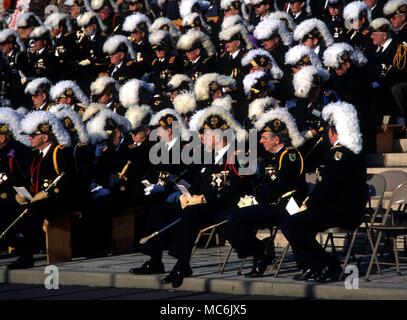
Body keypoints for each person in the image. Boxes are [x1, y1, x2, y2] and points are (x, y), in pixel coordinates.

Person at [160, 104, 253, 288]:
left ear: (218, 136)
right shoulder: (208, 158)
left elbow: (233, 192)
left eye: (206, 133)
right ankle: (175, 262)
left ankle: (182, 264)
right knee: (167, 210)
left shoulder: (238, 155)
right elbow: (197, 186)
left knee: (191, 213)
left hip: (227, 206)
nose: (201, 137)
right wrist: (186, 196)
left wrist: (201, 199)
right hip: (209, 206)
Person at [281, 101, 368, 282]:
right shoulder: (353, 153)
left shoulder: (338, 155)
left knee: (291, 224)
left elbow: (327, 189)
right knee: (298, 223)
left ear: (332, 132)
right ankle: (314, 266)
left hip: (340, 212)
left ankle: (328, 264)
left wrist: (308, 204)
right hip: (344, 210)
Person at [218, 108, 308, 278]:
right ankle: (260, 252)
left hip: (284, 205)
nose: (261, 141)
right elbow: (255, 177)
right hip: (269, 204)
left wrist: (256, 199)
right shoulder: (269, 157)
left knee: (236, 217)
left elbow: (281, 186)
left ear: (276, 139)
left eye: (265, 138)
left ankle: (261, 255)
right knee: (226, 218)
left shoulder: (290, 156)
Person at [10, 111, 75, 269]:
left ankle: (27, 256)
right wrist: (21, 194)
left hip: (62, 200)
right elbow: (29, 179)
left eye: (33, 135)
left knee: (34, 210)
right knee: (15, 205)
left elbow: (69, 178)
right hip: (40, 199)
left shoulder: (60, 152)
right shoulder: (35, 155)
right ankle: (19, 247)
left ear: (45, 137)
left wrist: (48, 193)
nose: (30, 138)